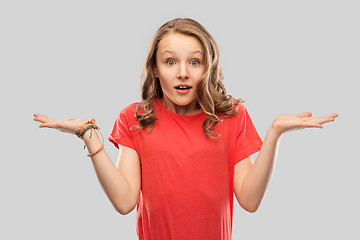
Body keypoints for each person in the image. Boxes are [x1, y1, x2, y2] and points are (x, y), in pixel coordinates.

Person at [33, 18, 338, 240]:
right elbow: (125, 201)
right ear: (155, 68)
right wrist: (89, 136)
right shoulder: (135, 118)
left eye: (194, 62)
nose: (182, 73)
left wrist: (274, 133)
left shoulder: (231, 117)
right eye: (170, 62)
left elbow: (250, 199)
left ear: (208, 68)